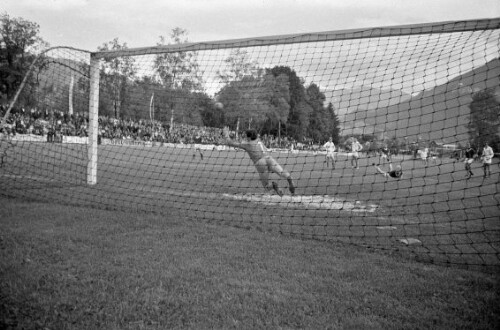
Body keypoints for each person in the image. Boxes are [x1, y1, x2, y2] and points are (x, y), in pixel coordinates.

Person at [222, 127, 295, 196]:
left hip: (260, 163)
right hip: (269, 158)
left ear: (249, 137)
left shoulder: (247, 144)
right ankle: (290, 180)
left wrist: (226, 135)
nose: (245, 137)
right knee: (281, 172)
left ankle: (273, 186)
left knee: (266, 186)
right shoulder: (258, 140)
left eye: (246, 136)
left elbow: (230, 143)